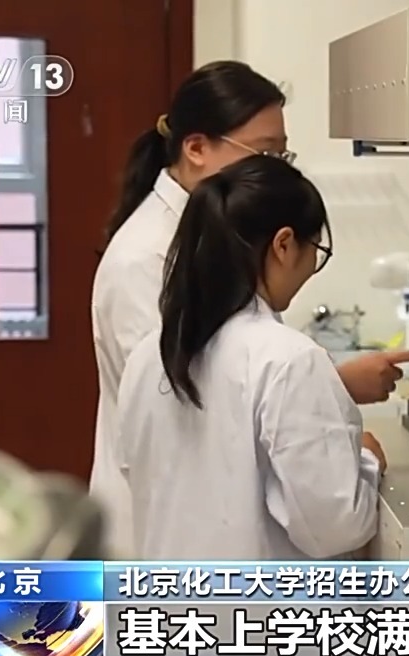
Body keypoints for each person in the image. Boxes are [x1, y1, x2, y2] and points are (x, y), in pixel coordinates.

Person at [90, 61, 409, 555]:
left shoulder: (212, 285)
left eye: (281, 154)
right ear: (196, 147)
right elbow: (200, 408)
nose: (273, 168)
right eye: (265, 152)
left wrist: (323, 390)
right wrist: (348, 443)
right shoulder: (146, 258)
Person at [116, 155, 382, 559]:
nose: (312, 265)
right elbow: (335, 526)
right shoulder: (289, 360)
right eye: (316, 249)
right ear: (284, 245)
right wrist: (366, 461)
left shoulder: (149, 354)